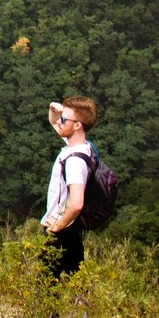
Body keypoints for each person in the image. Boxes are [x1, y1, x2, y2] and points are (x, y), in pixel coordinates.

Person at [40, 96, 98, 278]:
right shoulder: (85, 147)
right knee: (75, 281)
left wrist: (56, 227)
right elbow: (55, 122)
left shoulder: (74, 161)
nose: (60, 122)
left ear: (77, 125)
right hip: (72, 228)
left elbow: (76, 204)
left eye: (65, 119)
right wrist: (54, 111)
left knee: (46, 285)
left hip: (61, 229)